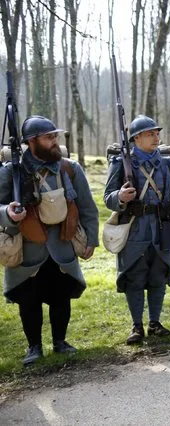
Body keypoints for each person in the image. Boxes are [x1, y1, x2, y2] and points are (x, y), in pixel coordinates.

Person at [0, 115, 99, 365]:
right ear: (32, 142)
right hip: (28, 248)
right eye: (49, 137)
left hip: (61, 245)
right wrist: (7, 213)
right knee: (28, 300)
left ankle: (60, 342)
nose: (55, 141)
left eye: (55, 136)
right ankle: (34, 347)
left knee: (61, 297)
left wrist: (91, 240)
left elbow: (87, 207)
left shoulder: (69, 168)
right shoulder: (12, 171)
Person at [104, 115, 170, 344]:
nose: (156, 137)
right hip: (134, 230)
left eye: (157, 133)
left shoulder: (168, 163)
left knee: (159, 275)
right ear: (136, 138)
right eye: (150, 134)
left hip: (162, 227)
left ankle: (155, 323)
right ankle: (137, 325)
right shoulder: (120, 164)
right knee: (133, 277)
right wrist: (120, 197)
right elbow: (108, 198)